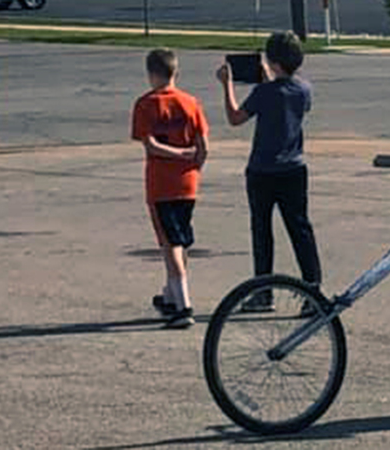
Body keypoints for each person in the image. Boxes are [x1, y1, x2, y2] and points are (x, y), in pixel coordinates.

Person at [217, 32, 322, 312]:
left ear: (273, 62)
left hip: (263, 170)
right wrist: (270, 78)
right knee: (300, 229)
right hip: (294, 168)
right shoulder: (304, 90)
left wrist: (227, 85)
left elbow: (235, 117)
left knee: (262, 231)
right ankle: (313, 288)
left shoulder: (263, 93)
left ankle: (263, 293)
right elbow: (285, 102)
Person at [130, 48, 210, 329]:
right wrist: (194, 165)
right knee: (180, 239)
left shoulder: (146, 104)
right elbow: (203, 145)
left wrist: (178, 155)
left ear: (152, 74)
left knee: (170, 243)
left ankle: (184, 305)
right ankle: (170, 294)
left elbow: (150, 144)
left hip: (162, 184)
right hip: (187, 183)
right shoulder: (190, 103)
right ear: (176, 72)